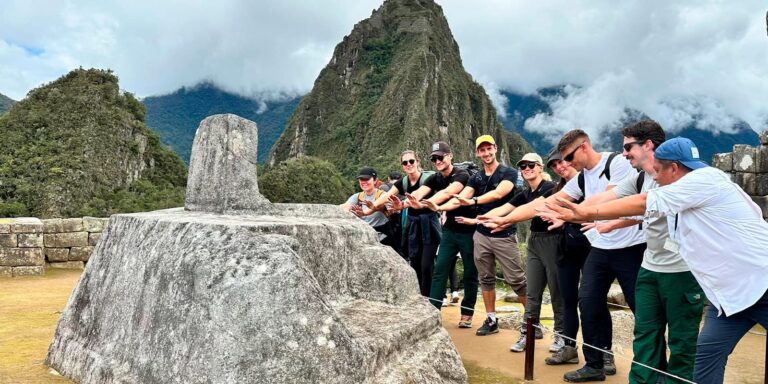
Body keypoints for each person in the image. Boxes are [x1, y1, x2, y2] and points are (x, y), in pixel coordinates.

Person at [542, 137, 768, 384]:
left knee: (691, 348)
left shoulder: (704, 180)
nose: (655, 178)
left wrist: (583, 212)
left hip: (761, 283)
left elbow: (642, 202)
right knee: (706, 355)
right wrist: (605, 221)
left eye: (659, 171)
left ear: (674, 168)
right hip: (727, 298)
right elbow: (641, 213)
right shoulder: (681, 197)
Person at [478, 129, 646, 381]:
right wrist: (505, 219)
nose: (565, 164)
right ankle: (594, 364)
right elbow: (547, 202)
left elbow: (607, 201)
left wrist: (572, 213)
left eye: (568, 157)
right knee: (587, 301)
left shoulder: (617, 163)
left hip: (629, 247)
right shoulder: (582, 179)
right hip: (600, 247)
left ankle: (650, 368)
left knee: (641, 309)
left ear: (584, 147)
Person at [543, 120, 703, 383]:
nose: (625, 153)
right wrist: (573, 212)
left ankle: (671, 377)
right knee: (626, 322)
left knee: (679, 336)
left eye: (628, 147)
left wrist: (586, 214)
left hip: (656, 260)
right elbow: (612, 199)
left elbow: (638, 205)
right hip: (639, 261)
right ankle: (599, 363)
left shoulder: (683, 180)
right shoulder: (640, 176)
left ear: (648, 145)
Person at [440, 135, 526, 337]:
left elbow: (498, 194)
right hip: (481, 234)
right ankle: (491, 319)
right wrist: (437, 206)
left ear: (495, 149)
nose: (486, 153)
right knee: (486, 278)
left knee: (516, 279)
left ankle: (532, 320)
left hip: (503, 233)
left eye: (489, 149)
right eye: (482, 150)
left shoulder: (508, 173)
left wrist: (473, 201)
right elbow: (463, 199)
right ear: (477, 152)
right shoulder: (476, 177)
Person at [480, 153, 564, 353]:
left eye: (531, 165)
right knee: (532, 292)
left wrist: (505, 221)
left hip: (553, 240)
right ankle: (529, 332)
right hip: (534, 241)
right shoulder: (526, 191)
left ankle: (562, 334)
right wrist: (478, 219)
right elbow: (505, 208)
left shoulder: (550, 188)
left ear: (541, 167)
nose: (527, 169)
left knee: (556, 291)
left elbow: (531, 209)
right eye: (523, 166)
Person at [398, 141, 479, 328]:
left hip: (469, 231)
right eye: (434, 158)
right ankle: (433, 311)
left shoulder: (462, 174)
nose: (437, 160)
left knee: (470, 273)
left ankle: (467, 313)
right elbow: (419, 192)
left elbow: (450, 192)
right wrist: (403, 204)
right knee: (439, 270)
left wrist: (432, 204)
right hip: (450, 230)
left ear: (450, 156)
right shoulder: (435, 177)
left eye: (440, 157)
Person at [543, 149, 592, 366]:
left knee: (592, 300)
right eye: (554, 166)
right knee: (568, 299)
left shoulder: (590, 184)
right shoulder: (560, 190)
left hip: (592, 247)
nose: (559, 167)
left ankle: (603, 352)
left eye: (562, 162)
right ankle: (569, 348)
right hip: (567, 247)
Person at [369, 150, 439, 297]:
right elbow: (388, 195)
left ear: (417, 162)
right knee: (414, 263)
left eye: (411, 161)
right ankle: (419, 296)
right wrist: (373, 206)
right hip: (413, 225)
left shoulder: (428, 179)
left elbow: (417, 196)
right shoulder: (404, 182)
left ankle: (429, 298)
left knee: (427, 265)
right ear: (402, 166)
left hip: (429, 225)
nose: (409, 165)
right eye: (405, 163)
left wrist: (403, 204)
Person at [340, 166, 392, 243]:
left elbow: (386, 206)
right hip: (365, 232)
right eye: (361, 179)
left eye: (367, 179)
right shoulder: (358, 196)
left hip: (382, 234)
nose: (363, 182)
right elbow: (346, 206)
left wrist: (375, 208)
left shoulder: (382, 195)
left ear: (375, 180)